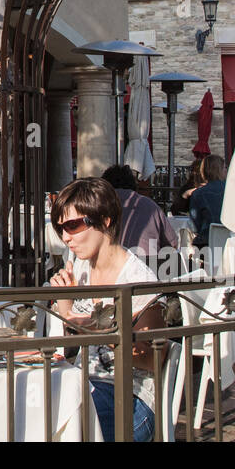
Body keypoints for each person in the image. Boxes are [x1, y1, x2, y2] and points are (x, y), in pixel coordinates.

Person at [47, 177, 164, 442]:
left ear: (105, 221)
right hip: (82, 386)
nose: (66, 237)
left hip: (129, 397)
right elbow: (71, 345)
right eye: (60, 228)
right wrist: (65, 302)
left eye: (73, 225)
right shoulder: (79, 270)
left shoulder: (139, 281)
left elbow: (152, 359)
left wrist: (105, 332)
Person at [101, 164, 177, 272]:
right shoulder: (150, 206)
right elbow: (172, 245)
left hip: (111, 271)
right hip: (150, 271)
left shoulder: (100, 206)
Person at [189, 154, 226, 248]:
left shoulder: (197, 194)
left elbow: (196, 222)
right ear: (220, 170)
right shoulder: (234, 190)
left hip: (207, 242)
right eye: (224, 167)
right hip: (232, 240)